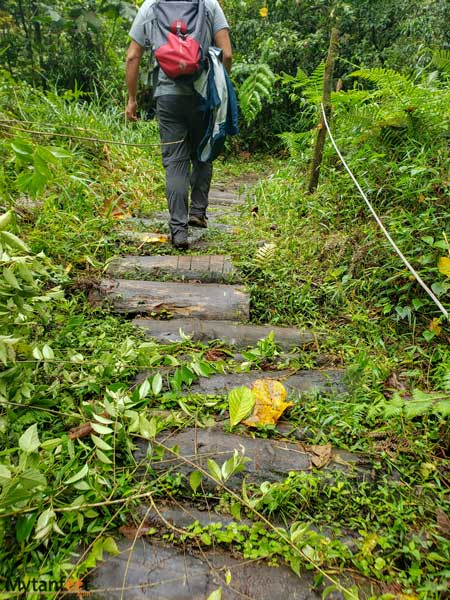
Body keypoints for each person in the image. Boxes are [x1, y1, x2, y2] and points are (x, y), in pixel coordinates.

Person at [125, 0, 232, 249]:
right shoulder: (209, 4)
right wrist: (219, 88)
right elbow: (227, 53)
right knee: (204, 150)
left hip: (168, 96)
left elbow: (132, 56)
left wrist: (131, 100)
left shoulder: (150, 6)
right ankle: (197, 211)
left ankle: (179, 232)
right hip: (202, 94)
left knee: (175, 161)